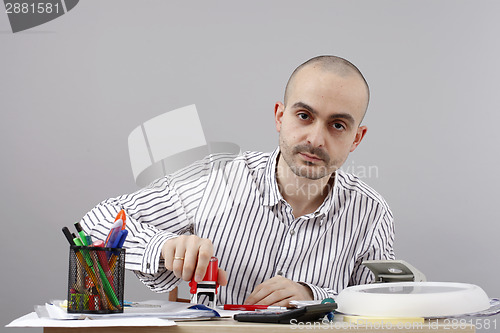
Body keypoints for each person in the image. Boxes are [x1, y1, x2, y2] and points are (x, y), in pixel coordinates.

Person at [80, 55, 395, 307]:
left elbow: (383, 305)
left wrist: (314, 297)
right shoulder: (215, 179)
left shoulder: (370, 212)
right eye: (304, 116)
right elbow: (96, 222)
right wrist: (163, 246)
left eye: (338, 125)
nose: (316, 139)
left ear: (356, 138)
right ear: (279, 116)